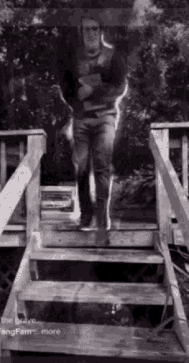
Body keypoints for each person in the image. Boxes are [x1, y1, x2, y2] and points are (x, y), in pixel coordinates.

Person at [57, 14, 128, 231]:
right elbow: (67, 90)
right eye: (86, 29)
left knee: (102, 168)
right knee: (81, 168)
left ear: (101, 31)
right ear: (81, 32)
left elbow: (119, 87)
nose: (90, 33)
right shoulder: (72, 59)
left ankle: (101, 217)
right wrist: (80, 99)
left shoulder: (113, 57)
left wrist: (93, 86)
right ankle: (85, 216)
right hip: (80, 119)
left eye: (94, 29)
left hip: (106, 118)